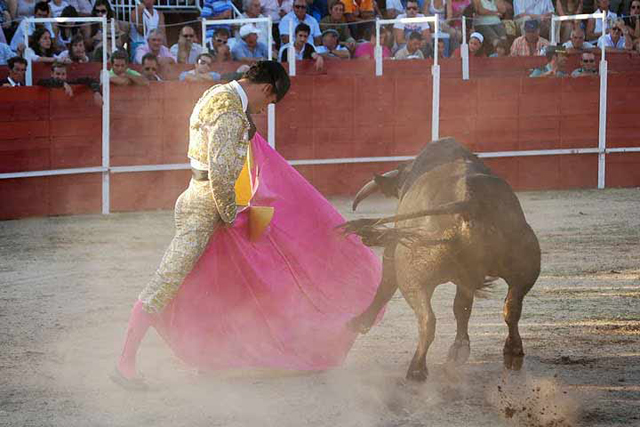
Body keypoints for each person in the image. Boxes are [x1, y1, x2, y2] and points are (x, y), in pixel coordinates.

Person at [111, 60, 382, 390]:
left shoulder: (217, 93)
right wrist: (233, 217)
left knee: (221, 282)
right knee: (168, 280)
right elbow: (222, 179)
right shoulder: (231, 114)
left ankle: (224, 357)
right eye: (269, 102)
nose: (265, 109)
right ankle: (125, 364)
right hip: (205, 208)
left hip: (198, 197)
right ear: (267, 88)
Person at [37, 61, 103, 106]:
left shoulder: (70, 83)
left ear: (66, 74)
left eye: (63, 74)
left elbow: (90, 80)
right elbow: (40, 82)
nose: (60, 77)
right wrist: (63, 84)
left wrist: (96, 92)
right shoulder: (46, 82)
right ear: (52, 74)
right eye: (57, 74)